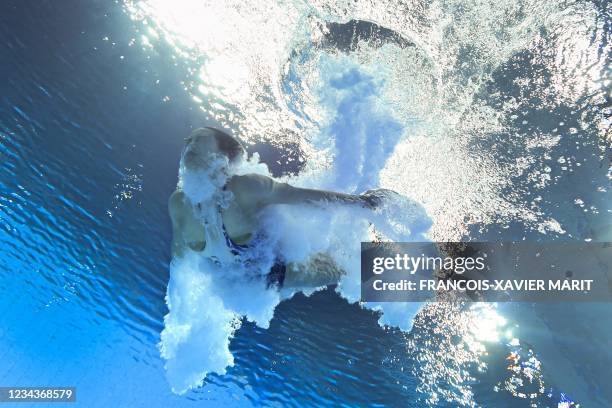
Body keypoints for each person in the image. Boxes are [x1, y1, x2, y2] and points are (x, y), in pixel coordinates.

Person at [169, 127, 384, 288]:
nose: (189, 143)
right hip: (245, 288)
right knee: (351, 266)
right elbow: (178, 263)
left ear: (221, 156)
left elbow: (305, 198)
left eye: (199, 139)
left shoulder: (246, 187)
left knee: (348, 266)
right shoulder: (178, 203)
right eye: (188, 139)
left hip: (275, 271)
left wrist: (361, 203)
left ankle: (400, 265)